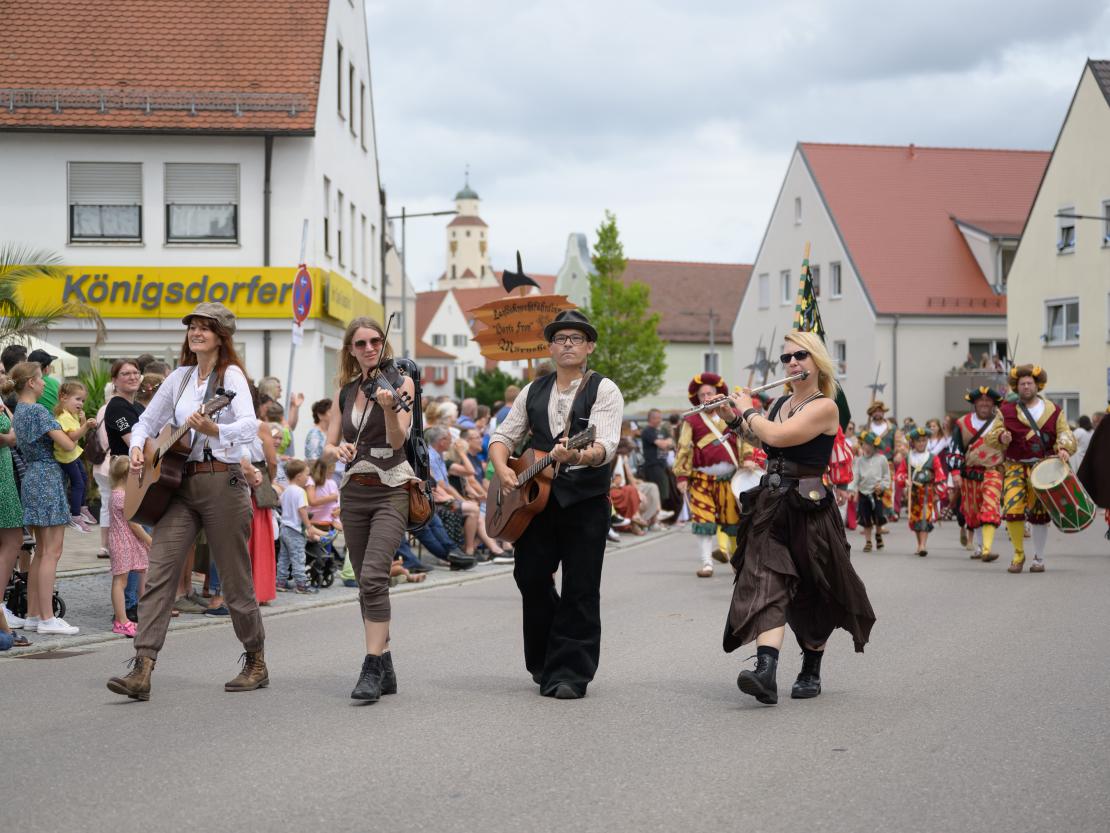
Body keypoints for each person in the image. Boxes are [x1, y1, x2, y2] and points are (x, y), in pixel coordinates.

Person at [107, 302, 265, 701]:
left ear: (220, 336)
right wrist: (141, 447)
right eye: (192, 327)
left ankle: (255, 660)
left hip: (221, 483)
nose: (196, 333)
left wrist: (215, 428)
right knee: (159, 573)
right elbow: (146, 420)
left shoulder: (232, 377)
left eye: (205, 328)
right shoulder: (179, 377)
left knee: (234, 578)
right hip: (177, 486)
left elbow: (249, 426)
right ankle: (142, 668)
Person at [720, 332, 875, 706]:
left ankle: (811, 667)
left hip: (808, 506)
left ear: (817, 361)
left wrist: (748, 410)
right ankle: (766, 671)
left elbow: (780, 435)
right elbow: (765, 442)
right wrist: (733, 419)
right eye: (786, 357)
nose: (792, 362)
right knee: (766, 581)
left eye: (800, 355)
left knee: (812, 589)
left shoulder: (825, 406)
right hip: (772, 504)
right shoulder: (779, 403)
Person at [489, 310, 624, 700]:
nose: (568, 344)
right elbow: (503, 435)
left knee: (581, 587)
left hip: (585, 502)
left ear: (589, 346)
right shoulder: (533, 390)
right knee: (529, 576)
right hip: (536, 504)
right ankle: (545, 658)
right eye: (561, 338)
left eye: (576, 338)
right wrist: (502, 468)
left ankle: (570, 672)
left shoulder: (604, 390)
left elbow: (605, 445)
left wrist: (578, 457)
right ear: (550, 347)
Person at [324, 317, 422, 702]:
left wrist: (385, 410)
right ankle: (386, 663)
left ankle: (370, 665)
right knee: (366, 583)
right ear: (350, 350)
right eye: (360, 343)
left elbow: (399, 438)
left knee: (373, 577)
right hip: (354, 492)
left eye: (375, 341)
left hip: (391, 488)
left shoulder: (401, 384)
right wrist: (338, 450)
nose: (368, 348)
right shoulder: (345, 392)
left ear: (384, 345)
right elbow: (329, 444)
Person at [5, 362, 83, 635]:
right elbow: (67, 444)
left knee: (41, 551)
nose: (44, 384)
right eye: (41, 379)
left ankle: (35, 614)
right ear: (31, 382)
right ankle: (47, 618)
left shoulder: (20, 411)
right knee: (52, 551)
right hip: (47, 475)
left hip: (31, 477)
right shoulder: (37, 410)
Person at [984, 365, 1076, 574]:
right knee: (1012, 509)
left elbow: (1065, 433)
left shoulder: (1054, 410)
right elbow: (991, 436)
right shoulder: (1005, 410)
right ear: (1017, 387)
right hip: (1015, 466)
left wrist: (1063, 448)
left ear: (1037, 385)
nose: (1026, 386)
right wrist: (1001, 437)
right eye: (1022, 383)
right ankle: (1018, 554)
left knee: (1040, 514)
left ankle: (1039, 558)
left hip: (1043, 468)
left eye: (1029, 383)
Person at [674, 373, 755, 578]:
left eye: (710, 393)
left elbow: (745, 437)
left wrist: (747, 457)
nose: (706, 397)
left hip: (730, 477)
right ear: (698, 398)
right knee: (703, 520)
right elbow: (684, 447)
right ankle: (706, 563)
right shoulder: (691, 419)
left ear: (718, 394)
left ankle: (738, 562)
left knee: (733, 521)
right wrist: (682, 476)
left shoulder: (732, 413)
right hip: (701, 479)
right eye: (703, 395)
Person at [99, 359, 145, 619]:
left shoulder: (136, 406)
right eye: (125, 373)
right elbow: (133, 442)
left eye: (135, 372)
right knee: (130, 535)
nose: (132, 376)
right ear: (114, 380)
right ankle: (128, 606)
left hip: (139, 472)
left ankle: (138, 601)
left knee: (138, 538)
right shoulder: (116, 407)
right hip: (126, 472)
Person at [950, 387, 1004, 562]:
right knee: (973, 512)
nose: (984, 404)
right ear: (975, 403)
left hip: (992, 472)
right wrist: (956, 472)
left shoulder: (1001, 423)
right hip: (969, 473)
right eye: (981, 401)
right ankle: (980, 547)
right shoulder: (962, 423)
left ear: (993, 404)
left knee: (989, 506)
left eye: (988, 401)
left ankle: (987, 549)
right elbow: (955, 449)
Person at [107, 457, 149, 637]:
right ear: (127, 476)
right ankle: (121, 621)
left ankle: (123, 619)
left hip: (122, 541)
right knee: (120, 582)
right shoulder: (122, 497)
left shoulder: (115, 493)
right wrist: (149, 539)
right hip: (122, 542)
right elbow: (134, 524)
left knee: (122, 581)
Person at [0, 396, 29, 639]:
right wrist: (8, 437)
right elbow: (11, 436)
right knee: (12, 541)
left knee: (12, 541)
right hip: (2, 479)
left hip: (5, 475)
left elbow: (14, 433)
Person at [52, 380, 98, 532]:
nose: (81, 403)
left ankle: (82, 507)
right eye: (77, 399)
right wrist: (86, 425)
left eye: (83, 400)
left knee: (84, 479)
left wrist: (83, 420)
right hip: (66, 457)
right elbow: (73, 436)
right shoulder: (63, 416)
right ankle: (75, 514)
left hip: (73, 454)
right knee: (78, 483)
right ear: (64, 397)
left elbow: (78, 432)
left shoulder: (71, 415)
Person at [277, 459, 325, 594]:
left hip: (284, 528)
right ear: (299, 476)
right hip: (295, 530)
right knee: (298, 557)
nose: (308, 478)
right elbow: (302, 510)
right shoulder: (300, 492)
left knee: (284, 558)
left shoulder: (286, 491)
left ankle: (280, 582)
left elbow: (281, 504)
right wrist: (308, 526)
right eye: (307, 475)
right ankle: (301, 585)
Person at [899, 426, 946, 556]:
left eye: (924, 440)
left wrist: (939, 492)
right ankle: (919, 544)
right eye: (919, 441)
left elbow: (940, 475)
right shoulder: (908, 458)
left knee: (925, 517)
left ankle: (922, 545)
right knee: (915, 519)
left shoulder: (932, 458)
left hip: (927, 492)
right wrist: (905, 480)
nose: (921, 443)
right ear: (913, 443)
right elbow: (900, 474)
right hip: (913, 493)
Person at [851, 431, 891, 552]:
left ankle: (878, 534)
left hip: (877, 492)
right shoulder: (859, 460)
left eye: (868, 444)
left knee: (878, 516)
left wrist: (883, 486)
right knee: (865, 518)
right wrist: (852, 490)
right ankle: (868, 541)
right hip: (864, 492)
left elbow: (886, 476)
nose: (865, 447)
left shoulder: (882, 459)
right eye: (863, 444)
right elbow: (855, 476)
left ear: (874, 445)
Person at [639, 408, 673, 508]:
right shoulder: (647, 431)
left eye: (660, 417)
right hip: (653, 466)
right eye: (658, 418)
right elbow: (662, 444)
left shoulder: (662, 430)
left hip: (663, 464)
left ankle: (659, 515)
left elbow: (671, 442)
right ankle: (655, 517)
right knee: (658, 492)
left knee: (664, 491)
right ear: (651, 419)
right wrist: (665, 443)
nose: (660, 420)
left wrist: (665, 443)